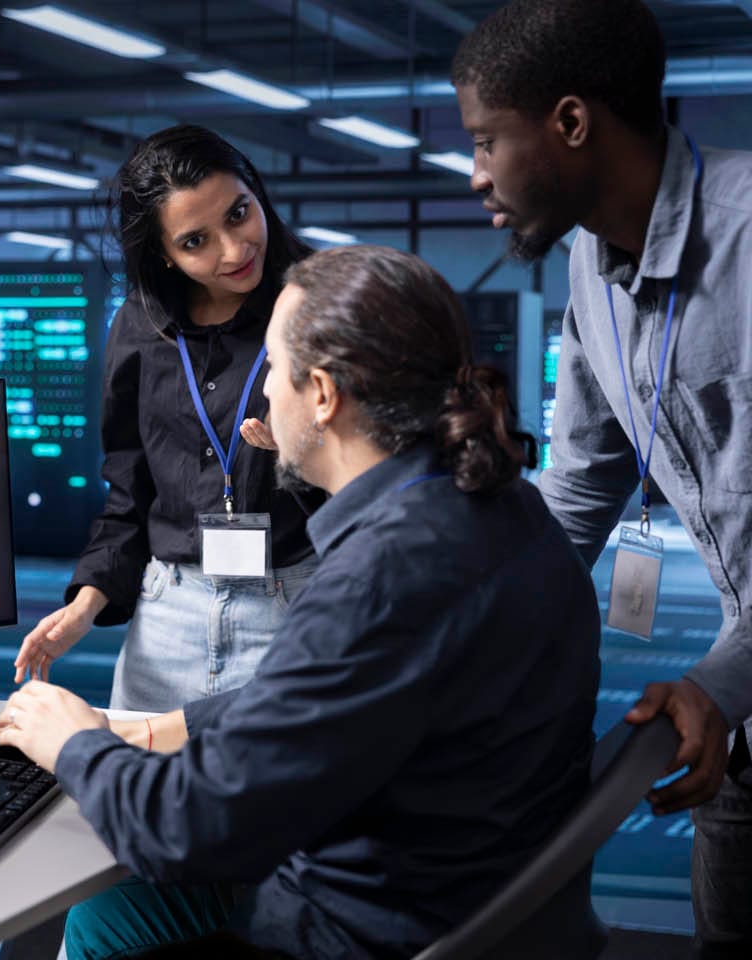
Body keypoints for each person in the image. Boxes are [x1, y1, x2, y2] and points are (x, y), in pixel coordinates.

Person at [0, 245, 605, 959]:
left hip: (346, 930)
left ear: (321, 394)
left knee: (98, 913)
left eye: (274, 372)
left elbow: (183, 831)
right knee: (105, 909)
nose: (263, 397)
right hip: (472, 907)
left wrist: (72, 741)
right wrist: (159, 730)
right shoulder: (502, 510)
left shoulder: (377, 577)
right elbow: (345, 692)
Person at [452, 2, 752, 953]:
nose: (476, 174)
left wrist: (723, 681)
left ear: (571, 123)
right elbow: (581, 485)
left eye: (488, 141)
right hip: (738, 727)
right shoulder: (587, 264)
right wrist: (457, 615)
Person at [14, 124, 320, 712]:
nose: (233, 250)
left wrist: (300, 463)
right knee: (134, 796)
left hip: (294, 610)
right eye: (196, 241)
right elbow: (127, 494)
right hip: (166, 617)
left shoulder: (321, 298)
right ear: (163, 253)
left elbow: (374, 488)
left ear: (256, 191)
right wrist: (86, 604)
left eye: (238, 214)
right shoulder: (139, 326)